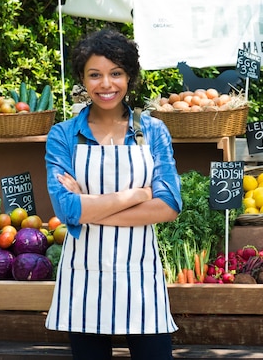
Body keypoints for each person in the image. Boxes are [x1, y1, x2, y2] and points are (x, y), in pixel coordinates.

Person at [44, 28, 182, 360]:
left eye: (116, 73)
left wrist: (90, 208)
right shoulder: (63, 135)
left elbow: (168, 206)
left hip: (140, 274)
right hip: (85, 276)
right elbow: (67, 210)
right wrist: (138, 195)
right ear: (83, 79)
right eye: (95, 75)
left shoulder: (152, 130)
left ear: (129, 76)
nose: (106, 84)